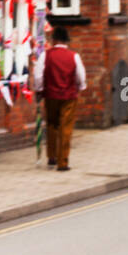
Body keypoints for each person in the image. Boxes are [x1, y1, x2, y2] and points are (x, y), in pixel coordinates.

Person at [33, 26, 87, 171]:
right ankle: (62, 162)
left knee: (52, 124)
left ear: (54, 40)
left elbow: (38, 75)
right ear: (66, 41)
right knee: (66, 127)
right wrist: (81, 87)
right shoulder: (74, 56)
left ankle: (51, 156)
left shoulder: (46, 55)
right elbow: (80, 75)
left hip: (50, 95)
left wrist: (39, 89)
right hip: (69, 95)